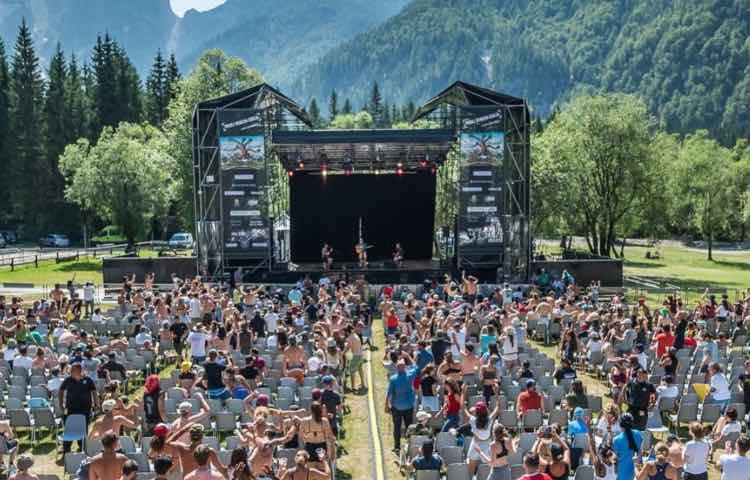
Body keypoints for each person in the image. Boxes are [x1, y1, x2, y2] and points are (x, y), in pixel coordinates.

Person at [59, 362, 97, 453]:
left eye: (73, 370)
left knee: (83, 428)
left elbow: (94, 391)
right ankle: (66, 448)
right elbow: (61, 390)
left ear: (79, 370)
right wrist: (61, 403)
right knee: (70, 428)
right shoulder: (68, 380)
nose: (70, 371)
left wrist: (96, 403)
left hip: (85, 409)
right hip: (71, 409)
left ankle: (82, 447)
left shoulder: (88, 380)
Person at [385, 358, 417, 453]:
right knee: (409, 427)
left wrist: (386, 405)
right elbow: (416, 367)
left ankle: (397, 447)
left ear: (396, 368)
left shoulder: (393, 379)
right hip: (408, 406)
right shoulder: (410, 375)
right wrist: (409, 357)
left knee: (397, 427)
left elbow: (389, 393)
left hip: (396, 407)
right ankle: (410, 445)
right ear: (405, 367)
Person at [612, 413, 643, 480]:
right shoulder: (638, 434)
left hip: (622, 473)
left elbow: (615, 459)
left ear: (620, 425)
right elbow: (640, 452)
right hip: (636, 471)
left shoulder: (616, 440)